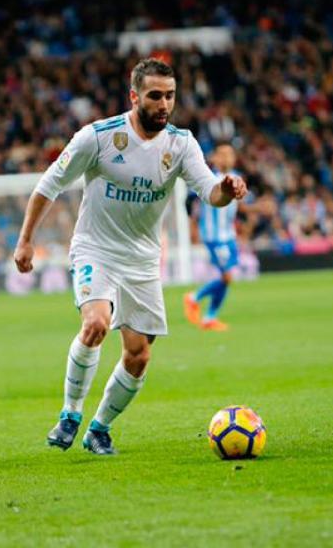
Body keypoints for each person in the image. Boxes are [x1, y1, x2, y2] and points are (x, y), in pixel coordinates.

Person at [13, 58, 248, 455]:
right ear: (135, 96)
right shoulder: (99, 137)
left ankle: (99, 428)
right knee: (96, 324)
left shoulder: (181, 144)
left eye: (170, 96)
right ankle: (70, 415)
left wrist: (227, 188)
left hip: (141, 259)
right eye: (155, 95)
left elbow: (210, 192)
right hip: (95, 248)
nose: (164, 104)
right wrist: (25, 241)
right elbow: (48, 185)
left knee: (138, 355)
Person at [184, 143, 243, 331]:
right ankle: (194, 298)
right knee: (227, 276)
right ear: (215, 158)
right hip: (213, 234)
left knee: (227, 277)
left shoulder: (236, 177)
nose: (227, 158)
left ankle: (210, 318)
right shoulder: (208, 178)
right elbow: (189, 199)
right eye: (222, 154)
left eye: (230, 154)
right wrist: (192, 224)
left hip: (229, 235)